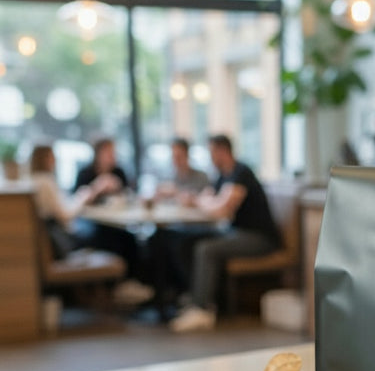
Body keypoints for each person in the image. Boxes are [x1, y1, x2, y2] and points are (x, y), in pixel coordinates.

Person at [164, 134, 281, 332]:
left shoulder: (241, 172)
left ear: (222, 151)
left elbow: (222, 209)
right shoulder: (222, 176)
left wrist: (200, 201)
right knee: (185, 241)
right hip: (236, 233)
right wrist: (201, 201)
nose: (210, 158)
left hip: (259, 238)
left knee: (206, 249)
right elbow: (208, 200)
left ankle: (203, 310)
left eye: (211, 153)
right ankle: (194, 297)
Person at [30, 143, 154, 305]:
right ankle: (122, 286)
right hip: (65, 242)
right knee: (109, 236)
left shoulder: (118, 171)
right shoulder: (46, 182)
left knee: (121, 236)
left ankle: (125, 285)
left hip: (65, 237)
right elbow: (65, 216)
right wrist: (87, 194)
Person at [72, 137, 153, 304]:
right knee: (109, 239)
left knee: (130, 239)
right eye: (108, 152)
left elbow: (129, 197)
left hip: (116, 222)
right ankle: (115, 287)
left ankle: (130, 284)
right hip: (91, 224)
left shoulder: (118, 172)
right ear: (98, 153)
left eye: (113, 152)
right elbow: (77, 202)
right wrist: (98, 187)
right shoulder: (86, 173)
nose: (112, 156)